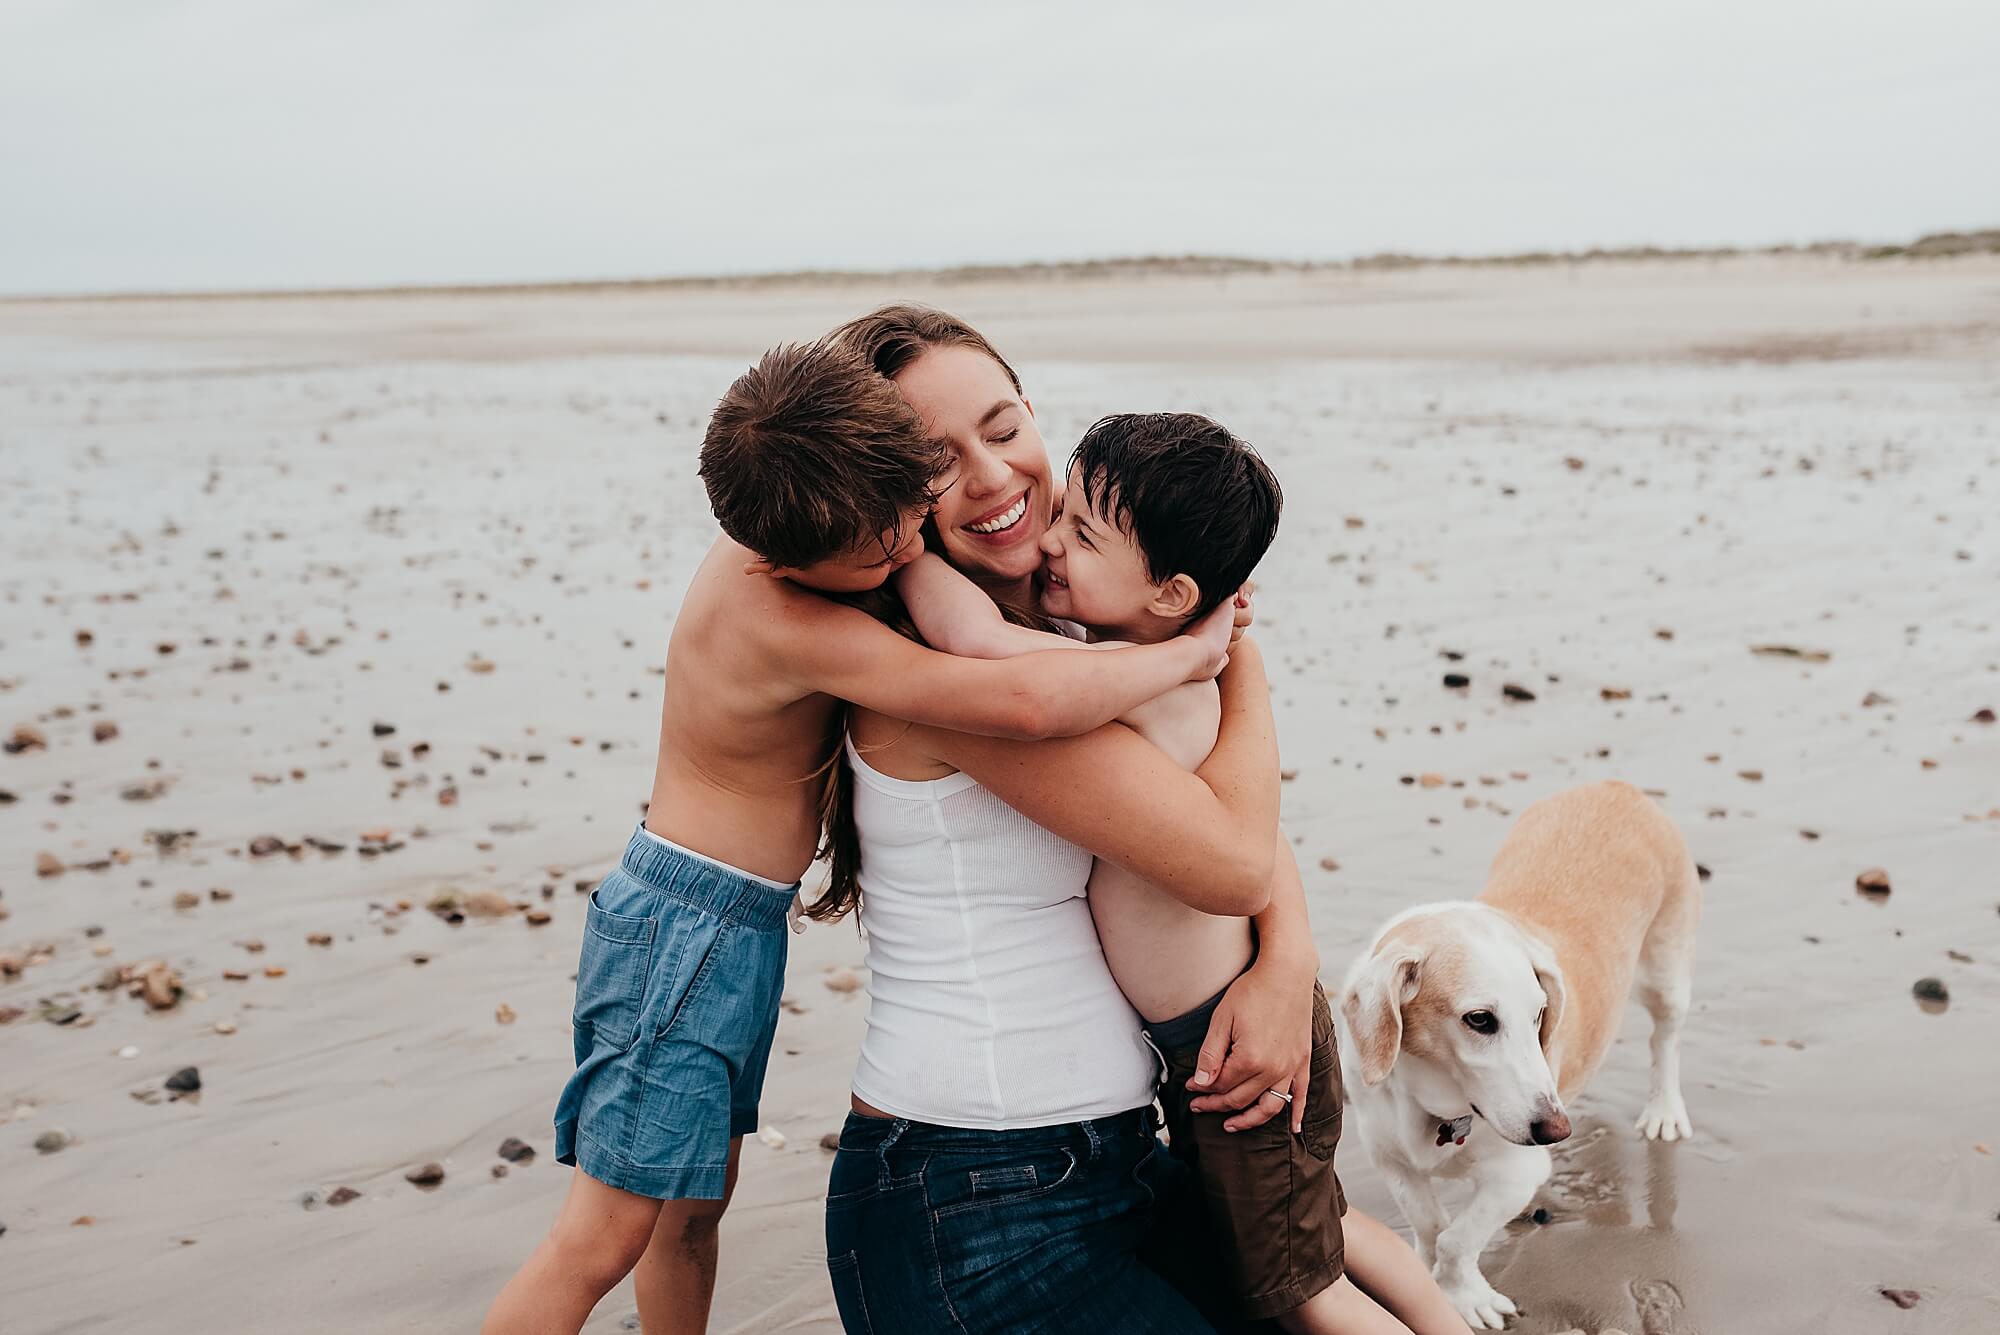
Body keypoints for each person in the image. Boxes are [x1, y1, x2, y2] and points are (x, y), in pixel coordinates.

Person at [480, 339, 1238, 1335]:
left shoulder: (821, 496)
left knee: (687, 1224)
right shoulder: (782, 607)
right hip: (683, 926)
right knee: (605, 1237)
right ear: (785, 556)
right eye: (877, 544)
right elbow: (1016, 700)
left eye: (904, 509)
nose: (902, 544)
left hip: (732, 926)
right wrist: (1190, 656)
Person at [898, 411, 1475, 1335]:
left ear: (1170, 595)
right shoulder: (1145, 657)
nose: (1049, 540)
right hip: (1213, 1044)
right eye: (1067, 515)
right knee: (1319, 1229)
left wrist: (904, 552)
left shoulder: (1142, 679)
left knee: (1298, 1287)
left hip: (1233, 1051)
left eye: (1080, 534)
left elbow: (979, 644)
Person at [816, 305, 1326, 1333]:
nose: (992, 478)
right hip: (975, 1201)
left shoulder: (1068, 635)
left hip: (1113, 1161)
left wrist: (1285, 964)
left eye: (1002, 430)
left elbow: (1231, 813)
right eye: (934, 460)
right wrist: (1213, 651)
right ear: (881, 488)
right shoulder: (960, 679)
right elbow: (1225, 862)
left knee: (1314, 1280)